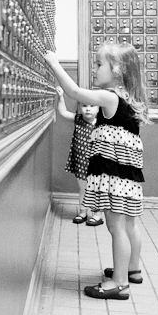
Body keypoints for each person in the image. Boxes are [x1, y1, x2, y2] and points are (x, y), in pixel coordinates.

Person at [45, 43, 151, 300]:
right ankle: (132, 269)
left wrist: (54, 64)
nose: (94, 69)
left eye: (98, 64)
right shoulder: (129, 98)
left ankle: (119, 283)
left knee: (116, 227)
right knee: (129, 224)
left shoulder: (110, 97)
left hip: (114, 177)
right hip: (129, 178)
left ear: (117, 70)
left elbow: (74, 92)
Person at [55, 86, 103, 226]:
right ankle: (83, 212)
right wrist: (61, 97)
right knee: (83, 189)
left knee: (97, 190)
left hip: (97, 163)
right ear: (80, 108)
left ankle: (97, 214)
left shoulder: (102, 124)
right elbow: (63, 112)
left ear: (99, 109)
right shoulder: (78, 119)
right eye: (84, 106)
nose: (88, 109)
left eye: (92, 106)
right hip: (81, 162)